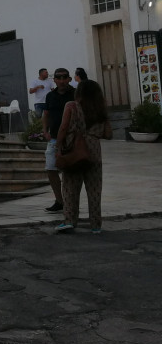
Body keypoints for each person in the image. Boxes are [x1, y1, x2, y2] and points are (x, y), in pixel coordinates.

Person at [55, 79, 112, 234]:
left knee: (70, 186)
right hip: (94, 150)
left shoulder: (71, 106)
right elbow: (108, 134)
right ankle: (95, 225)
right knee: (94, 188)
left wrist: (58, 146)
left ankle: (69, 220)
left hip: (75, 149)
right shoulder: (101, 110)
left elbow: (63, 128)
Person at [41, 68, 74, 213]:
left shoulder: (75, 94)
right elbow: (46, 114)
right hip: (54, 138)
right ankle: (59, 200)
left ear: (69, 79)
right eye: (58, 78)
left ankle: (71, 200)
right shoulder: (50, 96)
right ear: (54, 80)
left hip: (71, 138)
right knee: (50, 169)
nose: (61, 80)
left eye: (64, 77)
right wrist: (44, 130)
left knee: (71, 171)